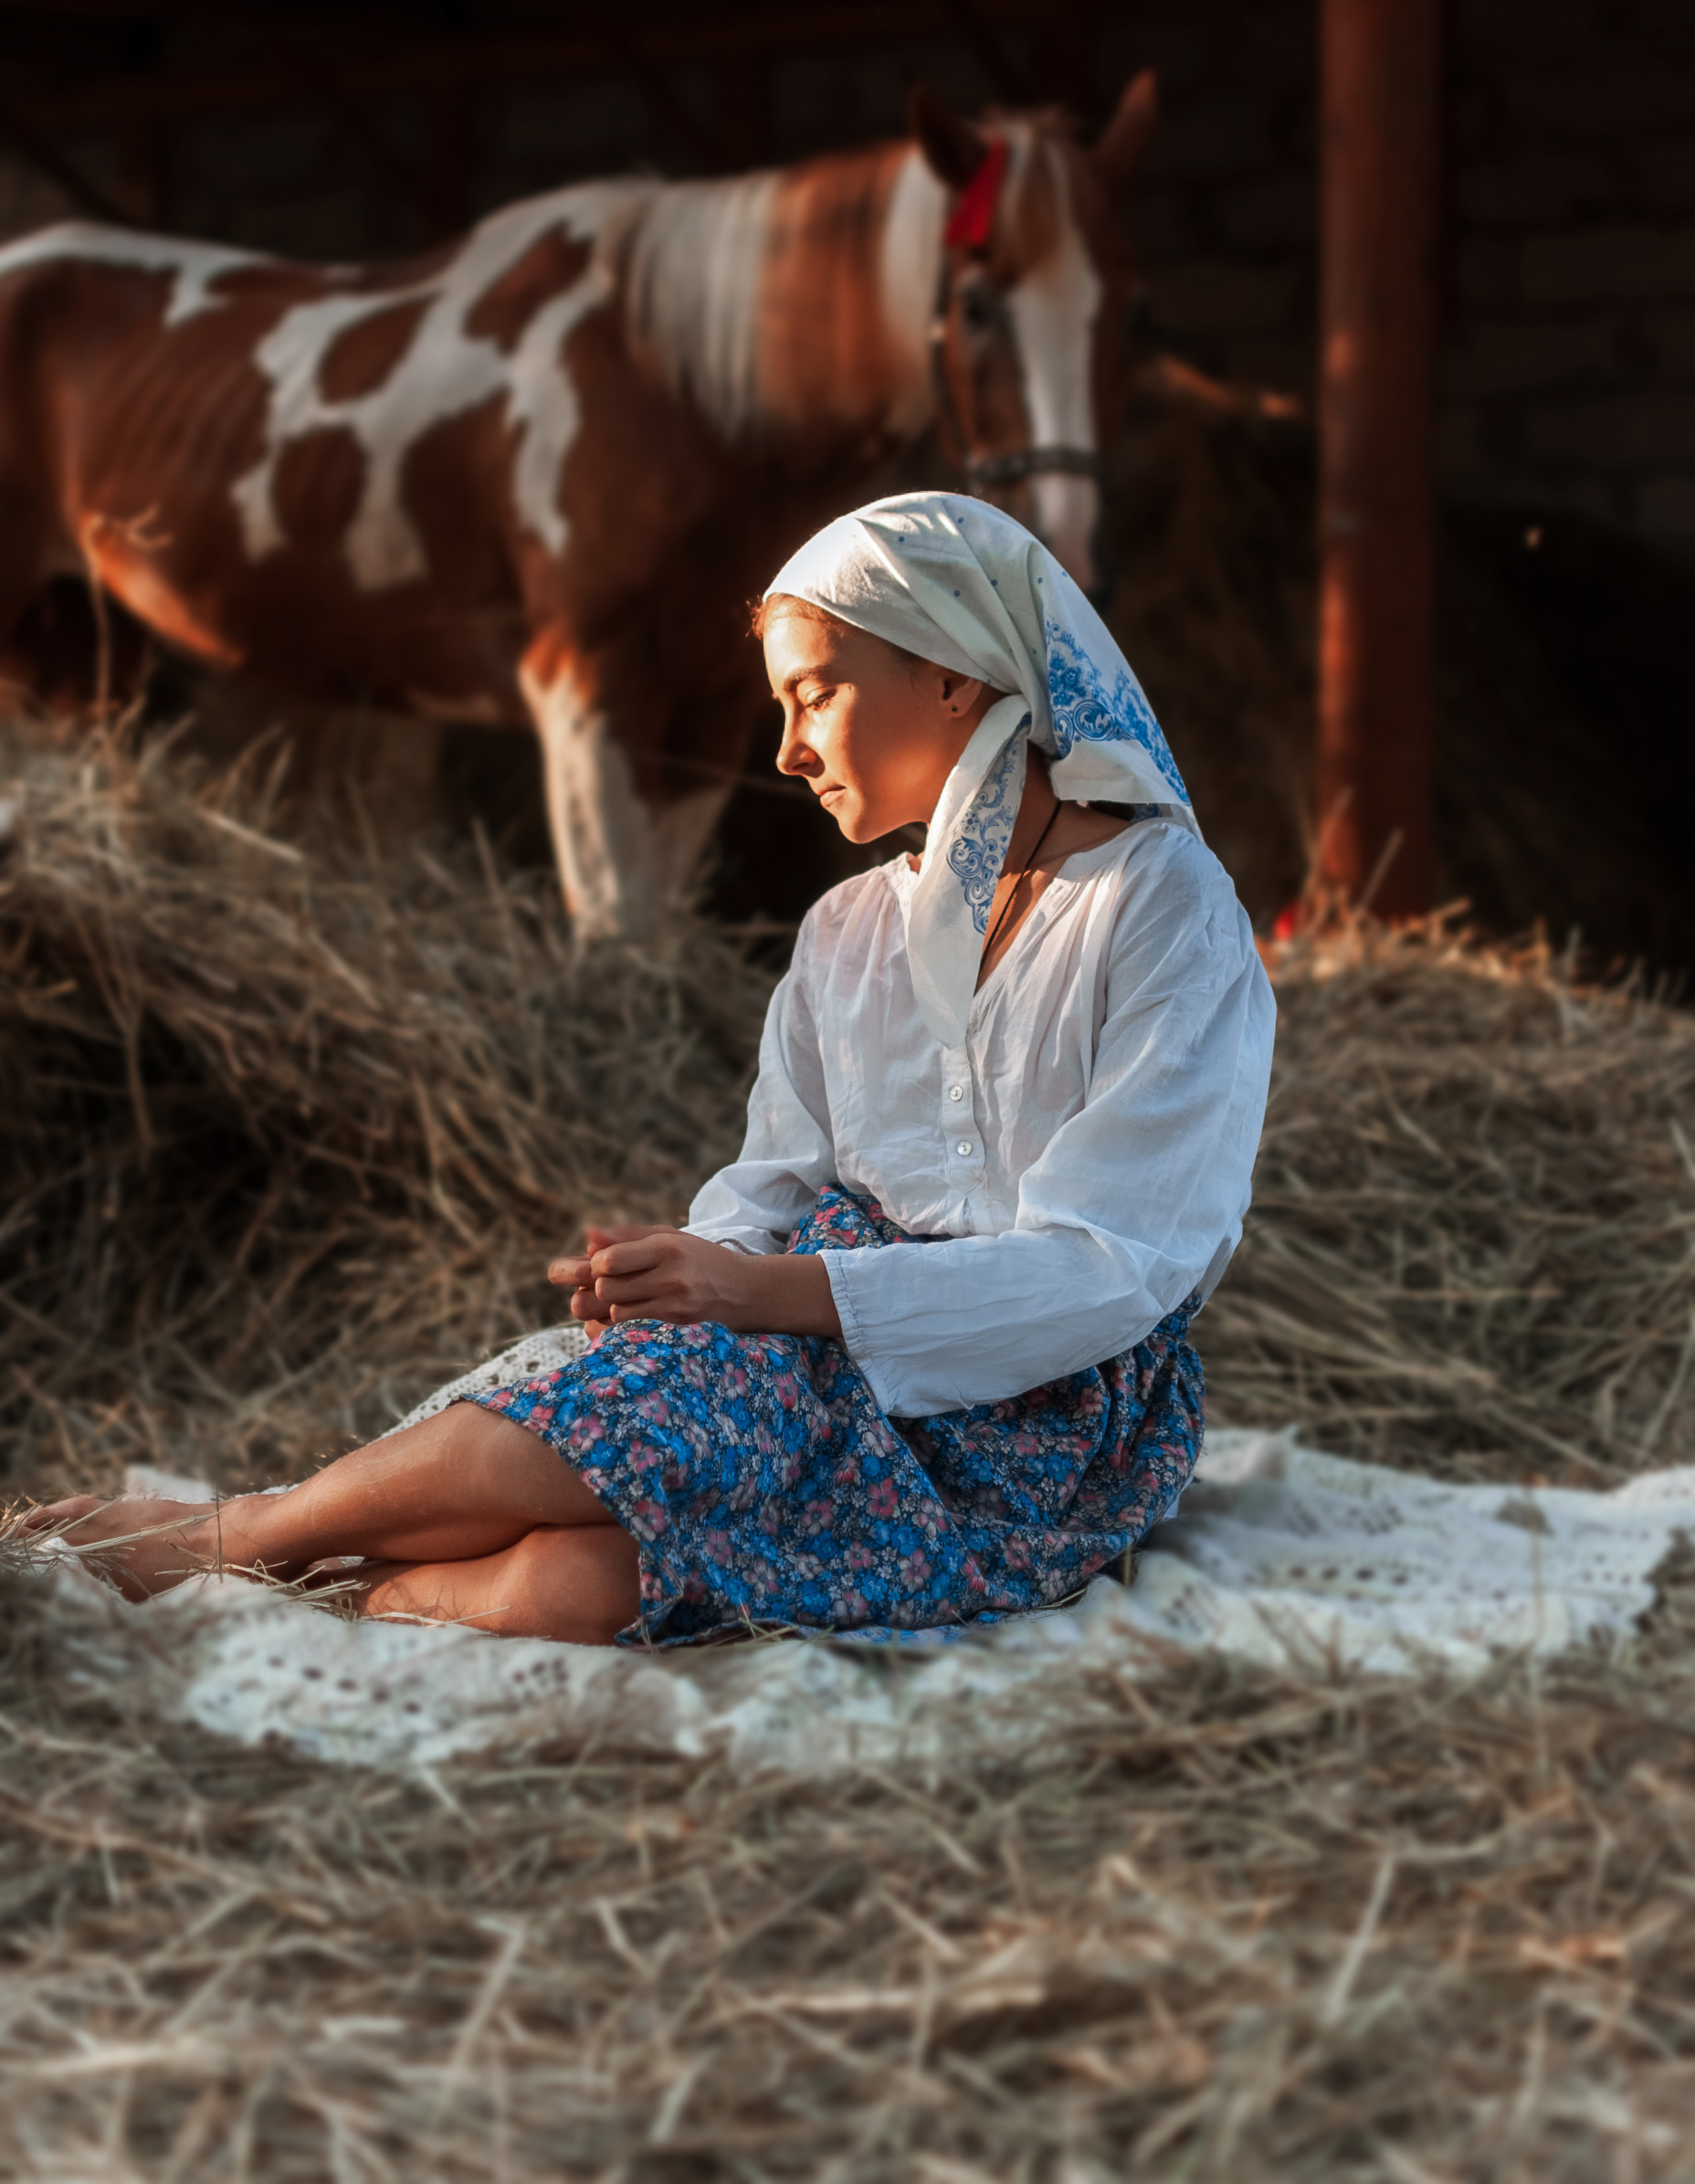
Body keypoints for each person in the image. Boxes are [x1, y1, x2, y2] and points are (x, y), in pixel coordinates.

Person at [24, 493, 1275, 1648]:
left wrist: (755, 1295)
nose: (786, 750)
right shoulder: (848, 931)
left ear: (953, 674)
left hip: (1037, 1417)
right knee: (630, 1422)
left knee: (581, 1586)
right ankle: (226, 1540)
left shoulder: (1158, 907)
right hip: (792, 1353)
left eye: (815, 695)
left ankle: (310, 1573)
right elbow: (771, 1184)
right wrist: (679, 1284)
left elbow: (1117, 1267)